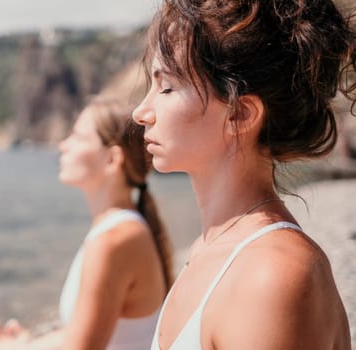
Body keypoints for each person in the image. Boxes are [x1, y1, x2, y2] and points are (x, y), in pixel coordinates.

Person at [132, 0, 355, 349]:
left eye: (166, 88)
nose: (141, 112)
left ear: (240, 115)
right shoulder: (213, 247)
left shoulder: (270, 275)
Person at [0, 97, 174, 350]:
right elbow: (86, 331)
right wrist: (25, 344)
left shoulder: (114, 241)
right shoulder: (121, 230)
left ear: (112, 159)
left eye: (78, 137)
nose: (63, 145)